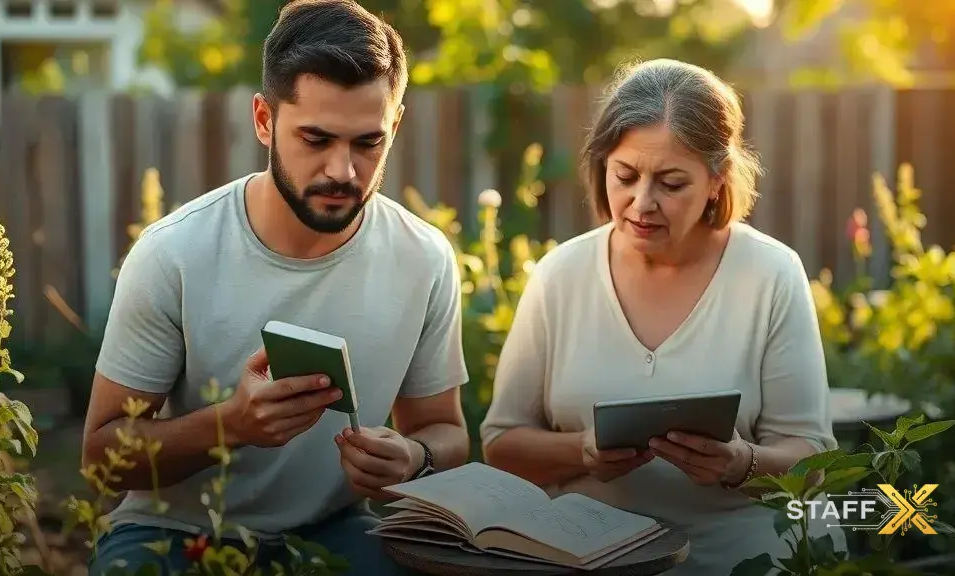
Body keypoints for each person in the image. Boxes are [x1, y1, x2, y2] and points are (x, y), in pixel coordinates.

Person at [82, 1, 469, 574]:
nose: (343, 170)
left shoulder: (425, 257)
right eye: (315, 138)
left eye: (368, 143)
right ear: (264, 119)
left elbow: (447, 431)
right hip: (173, 530)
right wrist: (229, 425)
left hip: (335, 530)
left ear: (396, 125)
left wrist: (415, 456)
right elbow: (99, 458)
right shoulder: (175, 253)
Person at [479, 58, 846, 575]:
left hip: (740, 560)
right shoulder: (560, 276)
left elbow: (813, 463)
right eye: (624, 175)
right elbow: (501, 445)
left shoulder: (770, 274)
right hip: (586, 558)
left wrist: (742, 464)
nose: (641, 203)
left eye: (671, 183)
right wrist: (580, 451)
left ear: (717, 180)